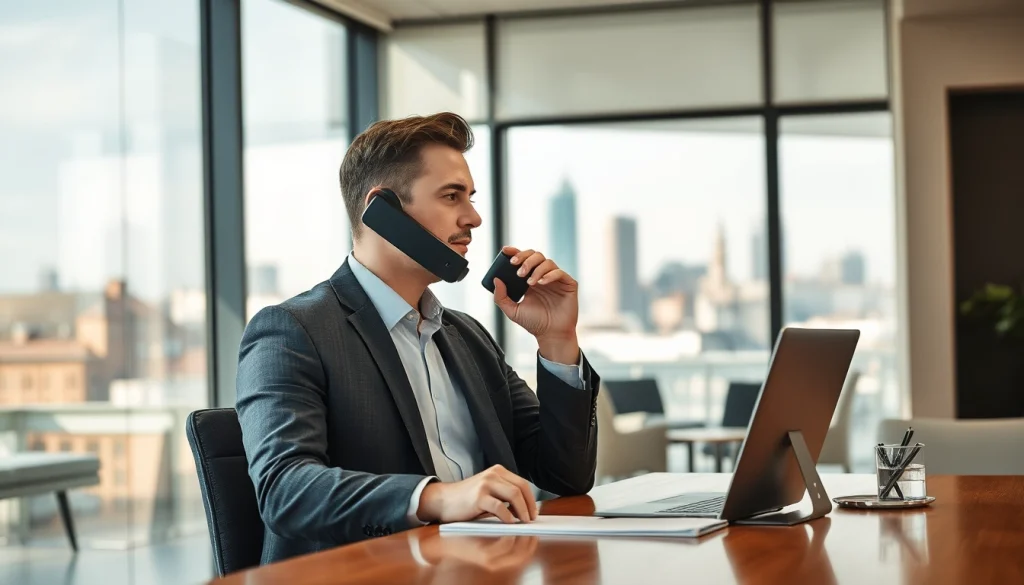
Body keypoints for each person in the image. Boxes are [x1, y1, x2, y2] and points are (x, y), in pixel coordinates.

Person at [236, 112, 601, 564]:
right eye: (452, 196)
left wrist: (558, 340)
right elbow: (285, 489)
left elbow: (565, 476)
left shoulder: (467, 337)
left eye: (469, 197)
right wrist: (439, 498)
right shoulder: (293, 331)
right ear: (382, 209)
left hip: (483, 569)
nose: (474, 217)